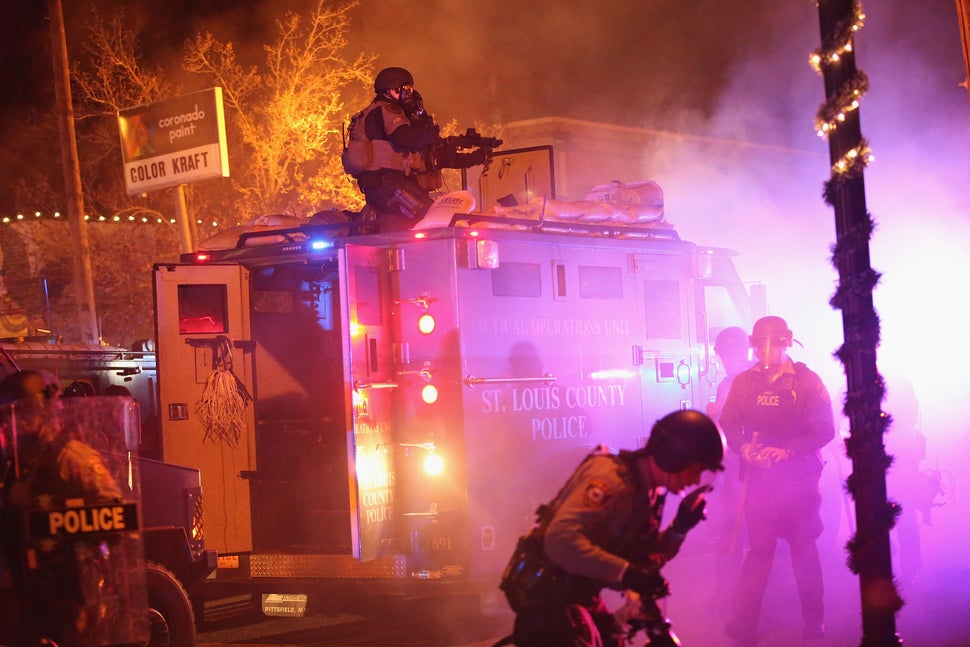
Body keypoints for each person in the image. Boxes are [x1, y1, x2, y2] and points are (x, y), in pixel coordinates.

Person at [499, 409, 726, 647]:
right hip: (548, 595)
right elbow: (560, 541)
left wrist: (679, 528)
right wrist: (626, 572)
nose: (696, 480)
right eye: (695, 470)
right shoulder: (611, 480)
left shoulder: (649, 491)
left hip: (579, 592)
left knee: (611, 639)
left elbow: (644, 561)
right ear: (674, 455)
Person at [719, 316, 835, 643]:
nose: (766, 353)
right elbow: (729, 424)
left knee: (803, 551)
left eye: (773, 344)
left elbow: (824, 429)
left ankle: (815, 623)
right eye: (759, 346)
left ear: (787, 342)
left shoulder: (806, 381)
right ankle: (744, 626)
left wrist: (788, 451)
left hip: (799, 483)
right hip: (761, 483)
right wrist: (745, 448)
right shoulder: (745, 382)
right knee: (758, 554)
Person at [0, 370, 125, 647]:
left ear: (39, 413)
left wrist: (59, 525)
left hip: (70, 611)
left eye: (17, 415)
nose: (10, 425)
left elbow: (115, 521)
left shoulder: (73, 460)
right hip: (28, 609)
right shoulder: (18, 467)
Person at [342, 66, 489, 231]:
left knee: (409, 222)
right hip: (388, 184)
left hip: (384, 184)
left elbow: (432, 156)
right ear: (392, 89)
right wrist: (428, 132)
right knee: (431, 218)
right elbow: (404, 138)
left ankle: (373, 226)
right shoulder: (388, 110)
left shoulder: (373, 112)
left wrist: (474, 156)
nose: (409, 94)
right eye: (407, 89)